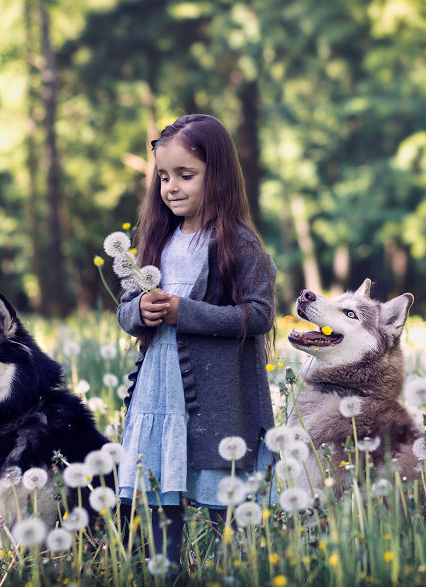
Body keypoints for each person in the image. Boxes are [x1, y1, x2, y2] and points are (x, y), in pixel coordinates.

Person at [116, 113, 277, 568]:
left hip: (214, 396)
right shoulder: (158, 240)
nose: (172, 187)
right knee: (161, 488)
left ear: (218, 175)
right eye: (164, 176)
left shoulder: (239, 244)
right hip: (159, 388)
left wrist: (183, 312)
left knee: (220, 492)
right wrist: (138, 313)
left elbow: (259, 314)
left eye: (186, 175)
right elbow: (127, 305)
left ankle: (231, 570)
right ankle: (164, 572)